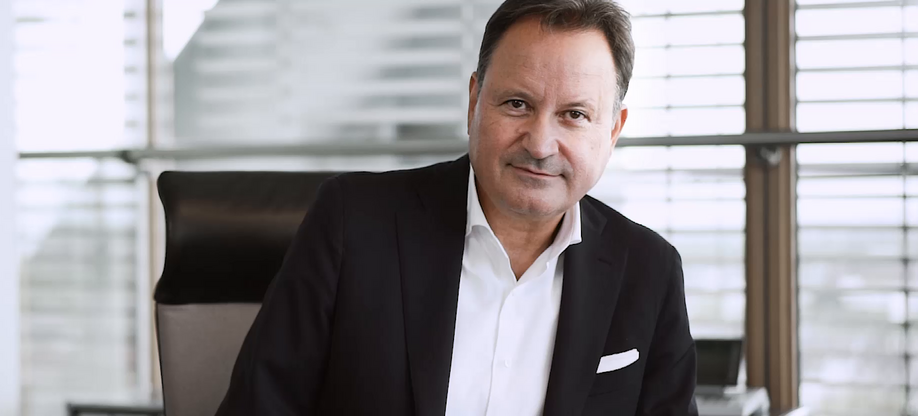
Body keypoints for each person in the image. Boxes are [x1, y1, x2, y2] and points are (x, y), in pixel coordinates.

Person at [214, 0, 696, 415]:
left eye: (574, 114)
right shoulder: (352, 223)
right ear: (474, 101)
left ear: (612, 131)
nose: (540, 144)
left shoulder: (649, 271)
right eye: (517, 104)